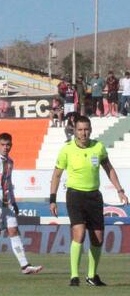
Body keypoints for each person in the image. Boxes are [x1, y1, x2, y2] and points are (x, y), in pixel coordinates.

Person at [50, 115, 128, 286]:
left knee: (98, 238)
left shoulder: (98, 147)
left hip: (94, 196)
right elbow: (56, 174)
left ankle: (92, 276)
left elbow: (109, 168)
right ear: (75, 131)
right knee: (79, 233)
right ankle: (74, 276)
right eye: (80, 130)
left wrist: (120, 190)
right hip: (75, 195)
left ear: (90, 130)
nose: (83, 133)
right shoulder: (67, 149)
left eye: (86, 129)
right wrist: (53, 199)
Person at [0, 133, 43, 276]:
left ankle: (25, 266)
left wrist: (14, 201)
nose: (6, 148)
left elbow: (8, 183)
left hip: (7, 202)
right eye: (3, 145)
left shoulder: (10, 161)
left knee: (14, 230)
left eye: (8, 145)